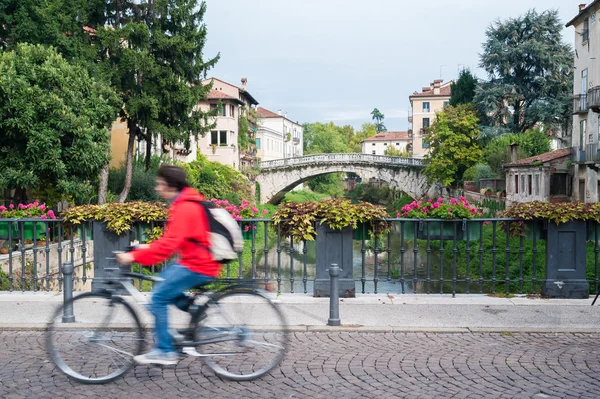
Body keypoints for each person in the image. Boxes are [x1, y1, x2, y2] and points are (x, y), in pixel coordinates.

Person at [115, 164, 220, 366]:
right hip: (195, 260)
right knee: (162, 281)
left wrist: (134, 257)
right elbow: (174, 240)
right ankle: (192, 308)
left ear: (171, 185)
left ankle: (164, 351)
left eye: (160, 184)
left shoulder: (185, 208)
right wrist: (144, 247)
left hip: (199, 265)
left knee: (158, 298)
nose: (157, 188)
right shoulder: (186, 203)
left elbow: (168, 246)